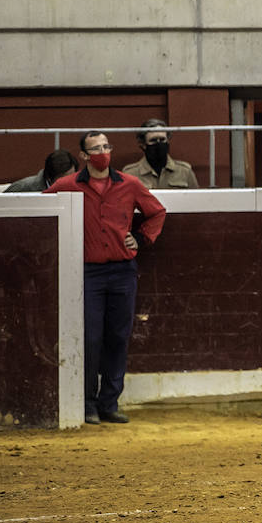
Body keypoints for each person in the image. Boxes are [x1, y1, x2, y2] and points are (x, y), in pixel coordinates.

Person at [45, 131, 167, 425]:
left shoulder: (129, 184)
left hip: (122, 271)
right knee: (90, 337)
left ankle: (108, 403)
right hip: (88, 271)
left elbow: (157, 213)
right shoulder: (68, 185)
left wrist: (140, 237)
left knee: (117, 336)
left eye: (106, 146)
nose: (103, 152)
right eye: (96, 148)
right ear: (84, 156)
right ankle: (87, 404)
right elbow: (43, 211)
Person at [122, 118, 200, 189]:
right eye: (153, 140)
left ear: (168, 141)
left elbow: (196, 200)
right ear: (143, 145)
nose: (159, 144)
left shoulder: (184, 171)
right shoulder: (130, 174)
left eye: (162, 139)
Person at [4, 149, 78, 192]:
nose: (69, 182)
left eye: (72, 177)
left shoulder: (78, 188)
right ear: (49, 177)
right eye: (63, 179)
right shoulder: (22, 187)